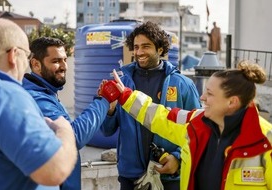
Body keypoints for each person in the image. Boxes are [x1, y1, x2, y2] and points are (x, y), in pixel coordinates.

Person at [105, 60, 272, 190]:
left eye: (210, 93)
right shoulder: (195, 123)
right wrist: (126, 96)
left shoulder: (266, 142)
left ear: (232, 102)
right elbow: (160, 116)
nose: (202, 98)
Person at [100, 21, 201, 190]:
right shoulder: (122, 83)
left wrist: (177, 158)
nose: (139, 52)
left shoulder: (183, 84)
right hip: (130, 177)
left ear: (160, 49)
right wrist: (109, 110)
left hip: (169, 176)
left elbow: (198, 130)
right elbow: (107, 130)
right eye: (136, 46)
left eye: (146, 46)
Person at [0, 18, 78, 189]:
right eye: (26, 56)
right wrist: (64, 130)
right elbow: (55, 170)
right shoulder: (4, 95)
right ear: (13, 55)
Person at [22, 37, 117, 190]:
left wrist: (105, 105)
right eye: (56, 61)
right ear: (36, 64)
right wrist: (103, 100)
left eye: (65, 59)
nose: (64, 66)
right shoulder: (37, 98)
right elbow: (73, 138)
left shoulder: (48, 94)